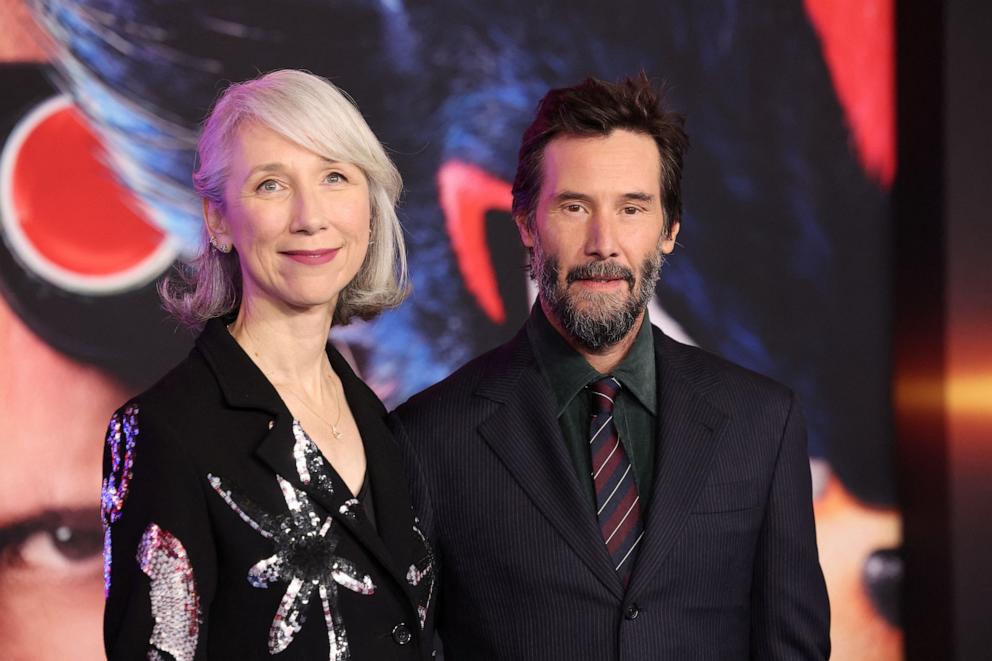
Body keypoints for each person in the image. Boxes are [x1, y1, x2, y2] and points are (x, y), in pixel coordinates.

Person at [390, 75, 830, 659]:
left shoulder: (763, 424)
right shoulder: (427, 436)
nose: (604, 242)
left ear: (668, 230)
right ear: (526, 224)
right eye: (575, 207)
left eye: (631, 208)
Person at [101, 70, 435, 660]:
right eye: (271, 186)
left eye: (335, 177)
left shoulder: (374, 413)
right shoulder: (168, 431)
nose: (311, 217)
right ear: (218, 221)